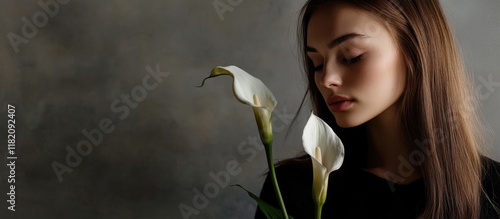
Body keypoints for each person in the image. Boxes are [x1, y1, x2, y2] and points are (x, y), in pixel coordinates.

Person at [255, 0, 500, 218]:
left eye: (352, 56)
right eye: (316, 63)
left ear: (415, 51)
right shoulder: (291, 188)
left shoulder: (493, 191)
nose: (326, 78)